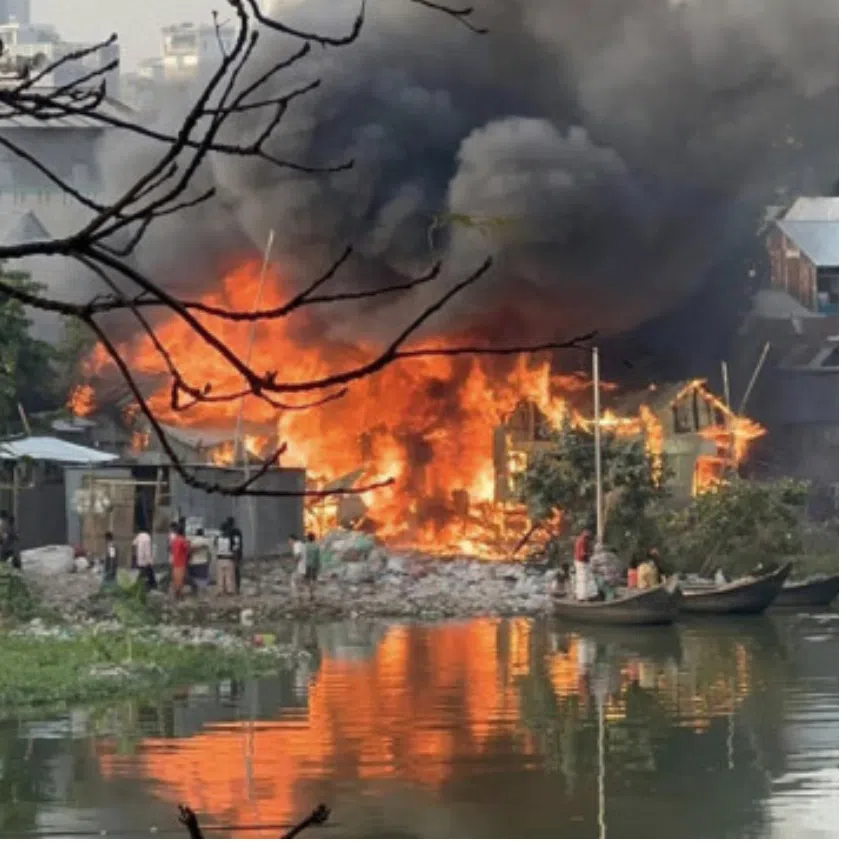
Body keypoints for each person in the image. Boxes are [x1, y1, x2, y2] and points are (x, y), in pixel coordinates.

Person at [573, 527, 599, 602]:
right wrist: (590, 554)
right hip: (582, 562)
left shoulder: (580, 539)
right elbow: (582, 554)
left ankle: (588, 595)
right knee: (584, 579)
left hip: (580, 561)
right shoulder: (583, 540)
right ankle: (583, 597)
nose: (590, 534)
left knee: (585, 578)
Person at [170, 524, 191, 599]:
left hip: (175, 561)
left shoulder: (174, 540)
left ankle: (176, 592)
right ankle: (180, 593)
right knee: (181, 578)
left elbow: (171, 550)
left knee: (175, 578)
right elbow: (188, 550)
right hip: (181, 562)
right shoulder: (183, 540)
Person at [132, 527, 157, 591]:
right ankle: (150, 585)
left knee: (143, 572)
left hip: (139, 558)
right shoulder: (148, 537)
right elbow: (147, 550)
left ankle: (145, 585)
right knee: (148, 572)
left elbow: (133, 544)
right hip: (146, 559)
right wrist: (149, 560)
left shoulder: (139, 536)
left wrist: (135, 554)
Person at [215, 524, 237, 596]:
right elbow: (234, 549)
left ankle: (220, 590)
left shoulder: (217, 538)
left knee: (220, 576)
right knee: (229, 575)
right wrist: (235, 558)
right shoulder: (231, 539)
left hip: (220, 559)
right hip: (229, 559)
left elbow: (216, 546)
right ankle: (229, 590)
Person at [302, 532, 321, 600]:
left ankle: (308, 593)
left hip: (306, 565)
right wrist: (319, 565)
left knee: (307, 579)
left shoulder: (305, 546)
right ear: (314, 538)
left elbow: (302, 556)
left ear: (308, 538)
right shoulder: (317, 546)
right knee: (313, 579)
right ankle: (312, 593)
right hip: (314, 565)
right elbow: (318, 557)